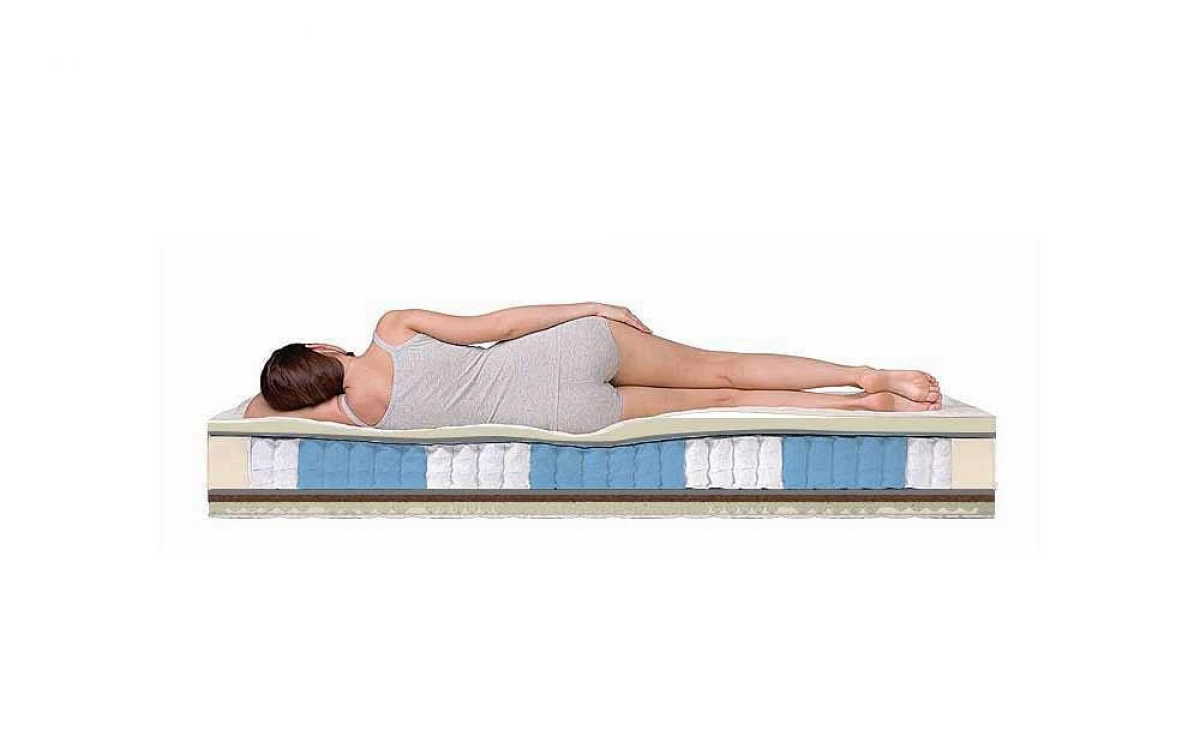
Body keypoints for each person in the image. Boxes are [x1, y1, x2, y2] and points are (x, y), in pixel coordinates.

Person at [246, 303, 941, 434]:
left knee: (722, 401)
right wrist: (590, 306)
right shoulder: (392, 329)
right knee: (721, 366)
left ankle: (854, 409)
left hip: (565, 414)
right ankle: (867, 377)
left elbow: (254, 412)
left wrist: (302, 397)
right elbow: (503, 327)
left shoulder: (352, 416)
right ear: (324, 350)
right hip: (566, 350)